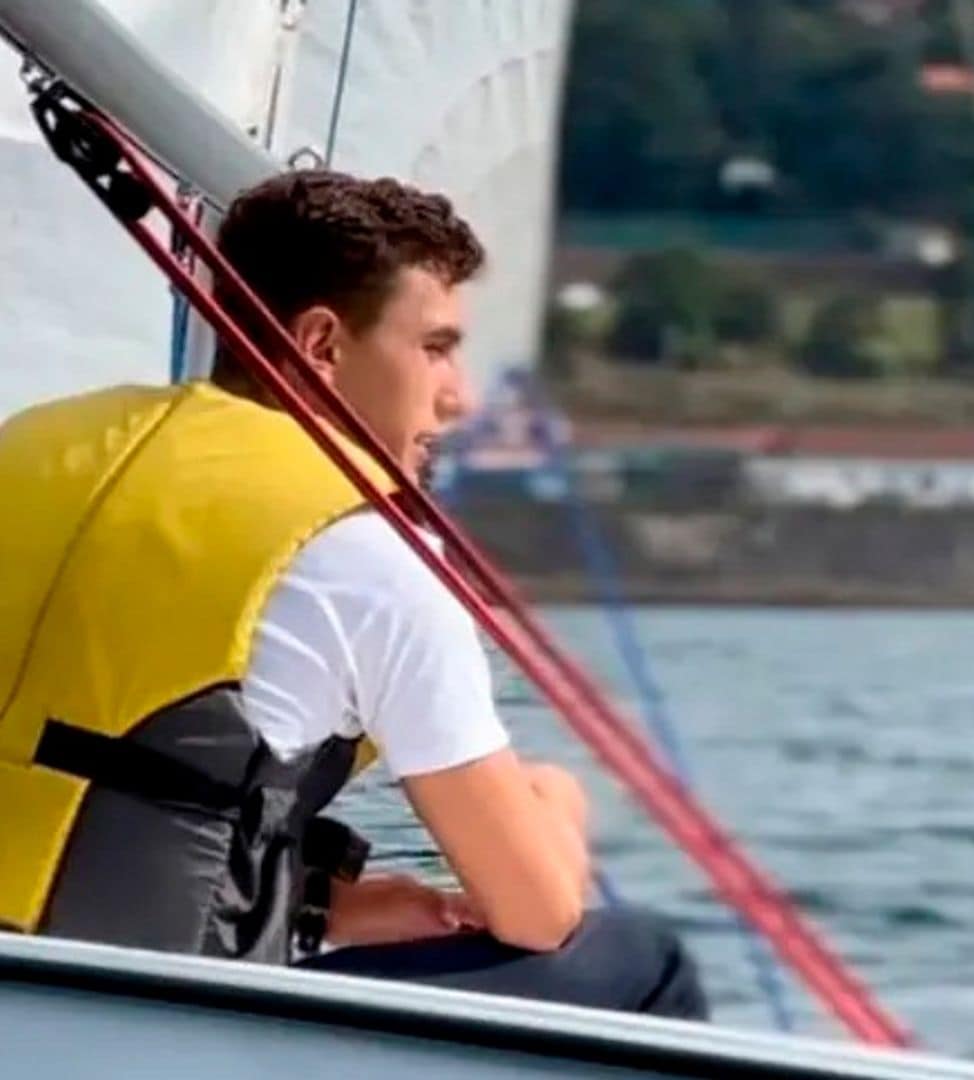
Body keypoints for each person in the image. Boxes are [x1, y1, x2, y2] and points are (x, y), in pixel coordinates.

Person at [0, 169, 706, 1019]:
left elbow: (92, 792)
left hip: (32, 989)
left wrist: (323, 906)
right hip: (138, 1027)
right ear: (323, 342)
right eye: (435, 347)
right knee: (643, 961)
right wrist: (555, 804)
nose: (460, 395)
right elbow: (536, 913)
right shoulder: (366, 549)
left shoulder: (33, 443)